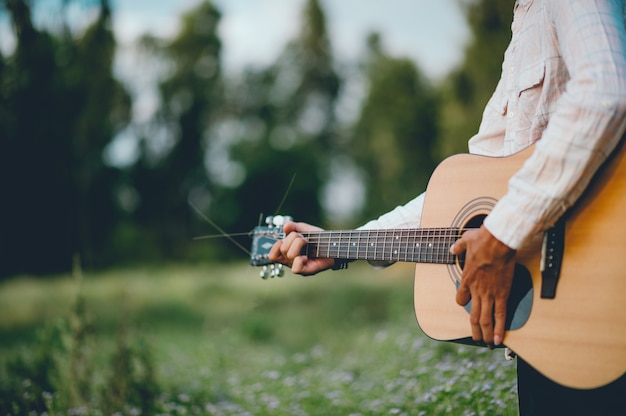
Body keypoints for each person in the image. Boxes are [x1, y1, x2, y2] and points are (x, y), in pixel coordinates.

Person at [269, 0, 626, 414]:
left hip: (600, 301)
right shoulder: (526, 22)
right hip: (556, 331)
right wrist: (341, 243)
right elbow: (460, 194)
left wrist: (500, 236)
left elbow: (606, 92)